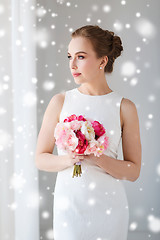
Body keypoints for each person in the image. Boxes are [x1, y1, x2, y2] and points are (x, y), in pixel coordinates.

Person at [35, 25, 142, 240]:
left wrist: (98, 158)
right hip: (70, 208)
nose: (72, 64)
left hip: (110, 210)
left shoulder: (125, 107)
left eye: (81, 57)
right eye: (69, 56)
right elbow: (40, 159)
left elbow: (133, 171)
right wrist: (69, 159)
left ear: (103, 61)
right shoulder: (60, 102)